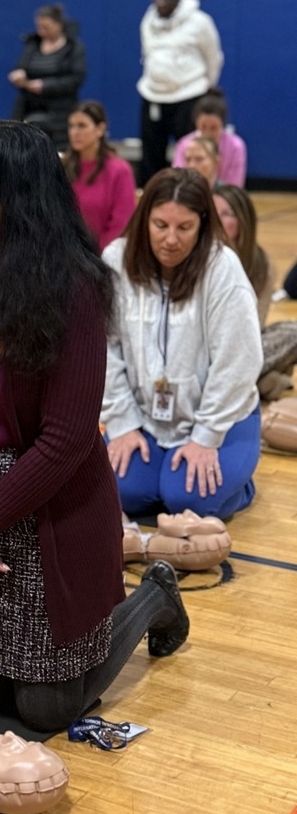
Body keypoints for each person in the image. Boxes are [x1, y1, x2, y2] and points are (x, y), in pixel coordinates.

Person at [0, 119, 190, 735]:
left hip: (45, 508)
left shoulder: (74, 291)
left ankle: (152, 599)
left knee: (46, 710)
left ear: (18, 192)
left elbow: (65, 440)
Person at [102, 168, 262, 520]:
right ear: (145, 219)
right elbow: (103, 348)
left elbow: (238, 362)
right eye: (160, 225)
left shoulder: (223, 270)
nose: (171, 239)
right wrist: (122, 423)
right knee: (121, 491)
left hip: (224, 416)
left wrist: (206, 436)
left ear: (203, 225)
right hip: (145, 414)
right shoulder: (116, 259)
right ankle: (162, 478)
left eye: (184, 227)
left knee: (191, 500)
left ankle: (240, 483)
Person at [213, 184, 297, 401]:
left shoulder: (262, 265)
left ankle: (247, 382)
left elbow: (253, 327)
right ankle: (260, 384)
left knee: (292, 332)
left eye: (226, 214)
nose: (216, 220)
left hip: (241, 347)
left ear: (242, 220)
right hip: (202, 347)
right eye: (212, 213)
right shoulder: (198, 256)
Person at [137, 0, 224, 185]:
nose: (161, 2)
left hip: (189, 94)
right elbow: (147, 54)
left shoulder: (200, 21)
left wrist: (206, 86)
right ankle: (152, 196)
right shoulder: (148, 21)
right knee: (151, 154)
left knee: (190, 150)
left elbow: (213, 57)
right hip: (154, 95)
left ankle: (190, 192)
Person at [7, 4, 86, 150]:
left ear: (59, 25)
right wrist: (20, 74)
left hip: (60, 112)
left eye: (46, 27)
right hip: (29, 107)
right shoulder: (32, 44)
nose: (41, 31)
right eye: (39, 26)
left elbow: (76, 78)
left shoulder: (73, 48)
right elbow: (21, 66)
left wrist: (45, 86)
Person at [63, 100, 136, 251]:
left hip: (103, 257)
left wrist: (95, 257)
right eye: (71, 126)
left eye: (82, 126)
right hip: (64, 255)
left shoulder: (119, 170)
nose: (74, 132)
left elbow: (121, 223)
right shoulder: (62, 167)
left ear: (100, 129)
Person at [172, 89, 247, 187]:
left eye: (213, 128)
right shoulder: (184, 144)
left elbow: (235, 188)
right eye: (203, 127)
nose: (207, 133)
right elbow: (177, 182)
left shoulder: (236, 146)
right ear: (196, 123)